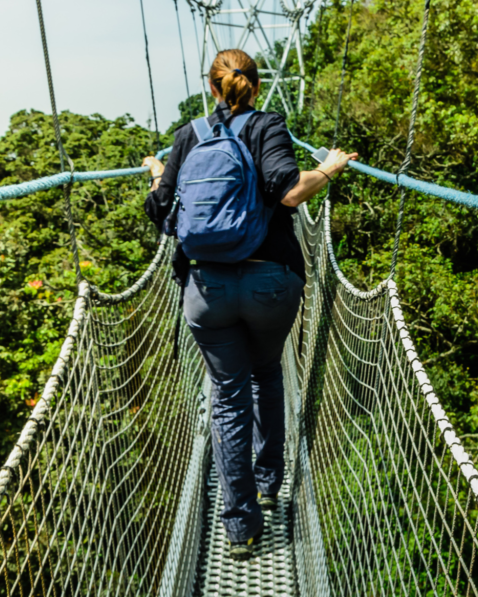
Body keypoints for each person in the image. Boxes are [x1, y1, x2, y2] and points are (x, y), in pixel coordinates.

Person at [142, 49, 357, 560]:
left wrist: (156, 172)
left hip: (206, 290)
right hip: (270, 284)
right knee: (267, 374)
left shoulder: (187, 135)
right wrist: (328, 169)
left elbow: (160, 209)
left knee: (227, 397)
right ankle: (268, 484)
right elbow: (288, 193)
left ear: (212, 89)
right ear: (254, 87)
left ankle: (240, 528)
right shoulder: (268, 125)